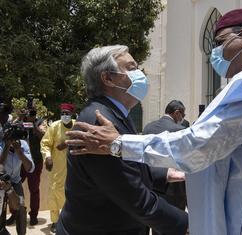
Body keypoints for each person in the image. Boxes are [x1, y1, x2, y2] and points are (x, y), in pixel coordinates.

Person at [65, 9, 242, 234]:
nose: (214, 52)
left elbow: (197, 145)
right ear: (107, 79)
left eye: (220, 42)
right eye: (132, 67)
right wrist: (170, 176)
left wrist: (119, 144)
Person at [56, 45, 188, 235]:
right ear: (108, 78)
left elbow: (125, 165)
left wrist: (165, 174)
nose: (140, 74)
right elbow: (135, 198)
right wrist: (186, 225)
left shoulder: (115, 114)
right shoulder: (98, 123)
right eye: (131, 68)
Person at [143, 100, 187, 234]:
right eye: (183, 115)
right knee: (174, 226)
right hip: (174, 188)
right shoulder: (180, 131)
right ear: (177, 113)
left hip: (152, 184)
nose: (182, 119)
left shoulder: (148, 127)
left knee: (157, 225)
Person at [40, 103, 75, 233]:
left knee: (72, 193)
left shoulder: (77, 125)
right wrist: (48, 157)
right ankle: (55, 221)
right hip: (57, 167)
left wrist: (67, 143)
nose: (65, 116)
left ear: (72, 115)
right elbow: (45, 143)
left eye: (67, 113)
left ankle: (70, 219)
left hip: (74, 166)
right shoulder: (54, 126)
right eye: (63, 113)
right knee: (55, 193)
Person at [0, 105, 35, 235]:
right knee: (1, 211)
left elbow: (30, 168)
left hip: (15, 180)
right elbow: (0, 164)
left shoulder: (23, 144)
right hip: (1, 181)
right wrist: (6, 146)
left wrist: (19, 151)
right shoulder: (1, 143)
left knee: (21, 207)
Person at [20, 108, 47, 225]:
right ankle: (16, 213)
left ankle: (34, 215)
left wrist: (33, 125)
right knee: (13, 186)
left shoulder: (40, 122)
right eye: (29, 111)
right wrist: (21, 118)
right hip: (19, 161)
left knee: (34, 190)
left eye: (33, 112)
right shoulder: (21, 120)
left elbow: (43, 136)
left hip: (35, 161)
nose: (30, 114)